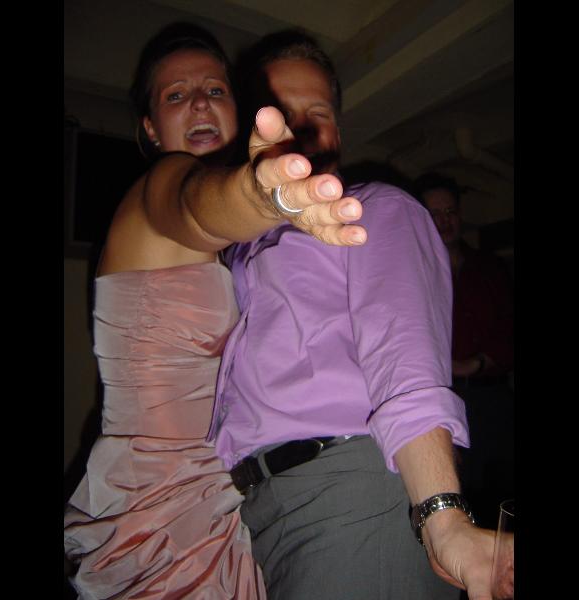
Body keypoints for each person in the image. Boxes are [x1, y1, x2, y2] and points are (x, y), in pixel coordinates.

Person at [63, 23, 366, 599]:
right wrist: (264, 196)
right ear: (150, 128)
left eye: (216, 90)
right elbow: (197, 206)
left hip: (217, 497)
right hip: (161, 513)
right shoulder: (158, 188)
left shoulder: (234, 254)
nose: (200, 103)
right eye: (176, 95)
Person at [209, 30, 499, 600]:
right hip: (256, 510)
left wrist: (442, 516)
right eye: (281, 113)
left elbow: (405, 359)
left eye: (317, 113)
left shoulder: (377, 208)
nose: (300, 128)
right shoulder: (238, 244)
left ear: (337, 133)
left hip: (351, 493)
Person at [416, 172, 514, 528]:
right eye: (435, 214)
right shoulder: (413, 272)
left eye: (450, 212)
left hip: (494, 400)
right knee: (457, 496)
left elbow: (509, 329)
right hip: (442, 402)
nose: (445, 221)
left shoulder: (491, 267)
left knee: (505, 494)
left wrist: (476, 364)